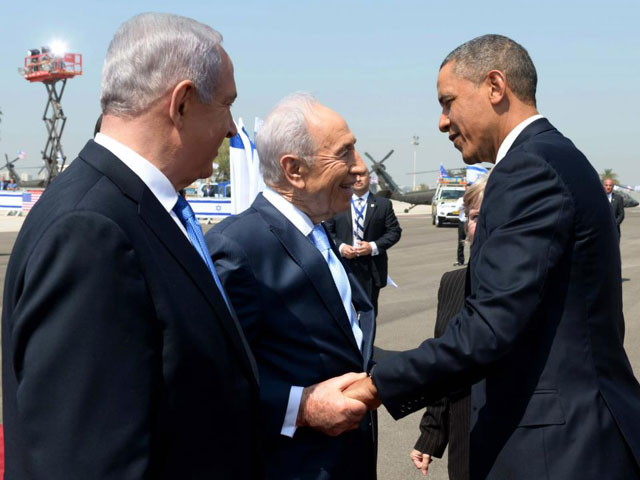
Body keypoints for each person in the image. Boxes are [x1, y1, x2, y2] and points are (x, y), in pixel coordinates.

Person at [345, 34, 640, 479]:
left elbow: (488, 327)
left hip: (557, 452)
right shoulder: (559, 156)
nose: (442, 122)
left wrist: (373, 385)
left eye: (448, 102)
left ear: (495, 87)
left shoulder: (528, 168)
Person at [2, 13, 261, 480]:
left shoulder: (132, 207)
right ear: (181, 103)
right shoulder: (91, 233)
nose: (230, 131)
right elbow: (86, 463)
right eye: (226, 106)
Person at [205, 93, 377, 480]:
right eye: (345, 153)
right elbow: (214, 380)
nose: (359, 167)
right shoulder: (239, 248)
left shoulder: (318, 233)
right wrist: (303, 408)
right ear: (294, 170)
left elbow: (345, 345)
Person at [410, 175, 488, 480]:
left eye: (490, 216)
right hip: (464, 429)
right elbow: (444, 362)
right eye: (475, 217)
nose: (480, 226)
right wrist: (431, 433)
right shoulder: (453, 283)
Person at [325, 167, 402, 319]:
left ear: (369, 178)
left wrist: (372, 246)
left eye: (362, 175)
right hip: (344, 266)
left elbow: (394, 232)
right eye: (355, 176)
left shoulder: (383, 204)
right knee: (344, 313)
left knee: (369, 314)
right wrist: (340, 247)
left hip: (371, 269)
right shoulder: (337, 202)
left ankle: (367, 343)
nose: (358, 179)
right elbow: (326, 231)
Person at [453, 186, 467, 266]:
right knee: (461, 242)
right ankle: (460, 260)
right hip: (462, 222)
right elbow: (457, 209)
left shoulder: (472, 199)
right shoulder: (460, 200)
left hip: (470, 222)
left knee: (473, 242)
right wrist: (463, 204)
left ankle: (473, 260)